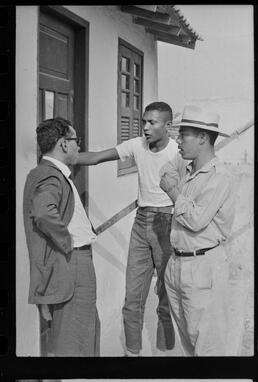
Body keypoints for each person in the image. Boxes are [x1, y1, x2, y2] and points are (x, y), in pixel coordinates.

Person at [77, 101, 186, 356]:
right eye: (144, 121)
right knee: (132, 297)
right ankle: (132, 353)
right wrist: (61, 158)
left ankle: (165, 351)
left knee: (166, 296)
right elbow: (96, 157)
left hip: (167, 224)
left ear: (167, 126)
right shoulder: (137, 145)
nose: (145, 127)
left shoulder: (177, 153)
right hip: (141, 222)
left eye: (152, 122)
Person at [160, 104, 235, 356]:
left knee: (208, 348)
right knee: (189, 347)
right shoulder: (188, 169)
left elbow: (195, 219)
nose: (178, 141)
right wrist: (174, 184)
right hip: (177, 264)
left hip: (203, 266)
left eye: (184, 135)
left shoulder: (219, 176)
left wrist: (172, 191)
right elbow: (165, 171)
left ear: (203, 138)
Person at [23, 117, 100, 357]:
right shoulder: (50, 175)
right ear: (64, 144)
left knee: (80, 333)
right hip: (72, 264)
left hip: (69, 264)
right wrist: (68, 243)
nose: (78, 146)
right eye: (76, 141)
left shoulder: (46, 172)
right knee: (76, 343)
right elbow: (44, 212)